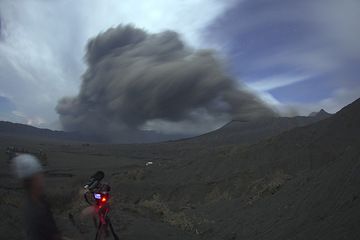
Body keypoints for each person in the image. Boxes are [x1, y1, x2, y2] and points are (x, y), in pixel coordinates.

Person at [13, 154, 61, 240]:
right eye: (39, 174)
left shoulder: (40, 202)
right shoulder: (34, 213)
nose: (42, 177)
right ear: (33, 179)